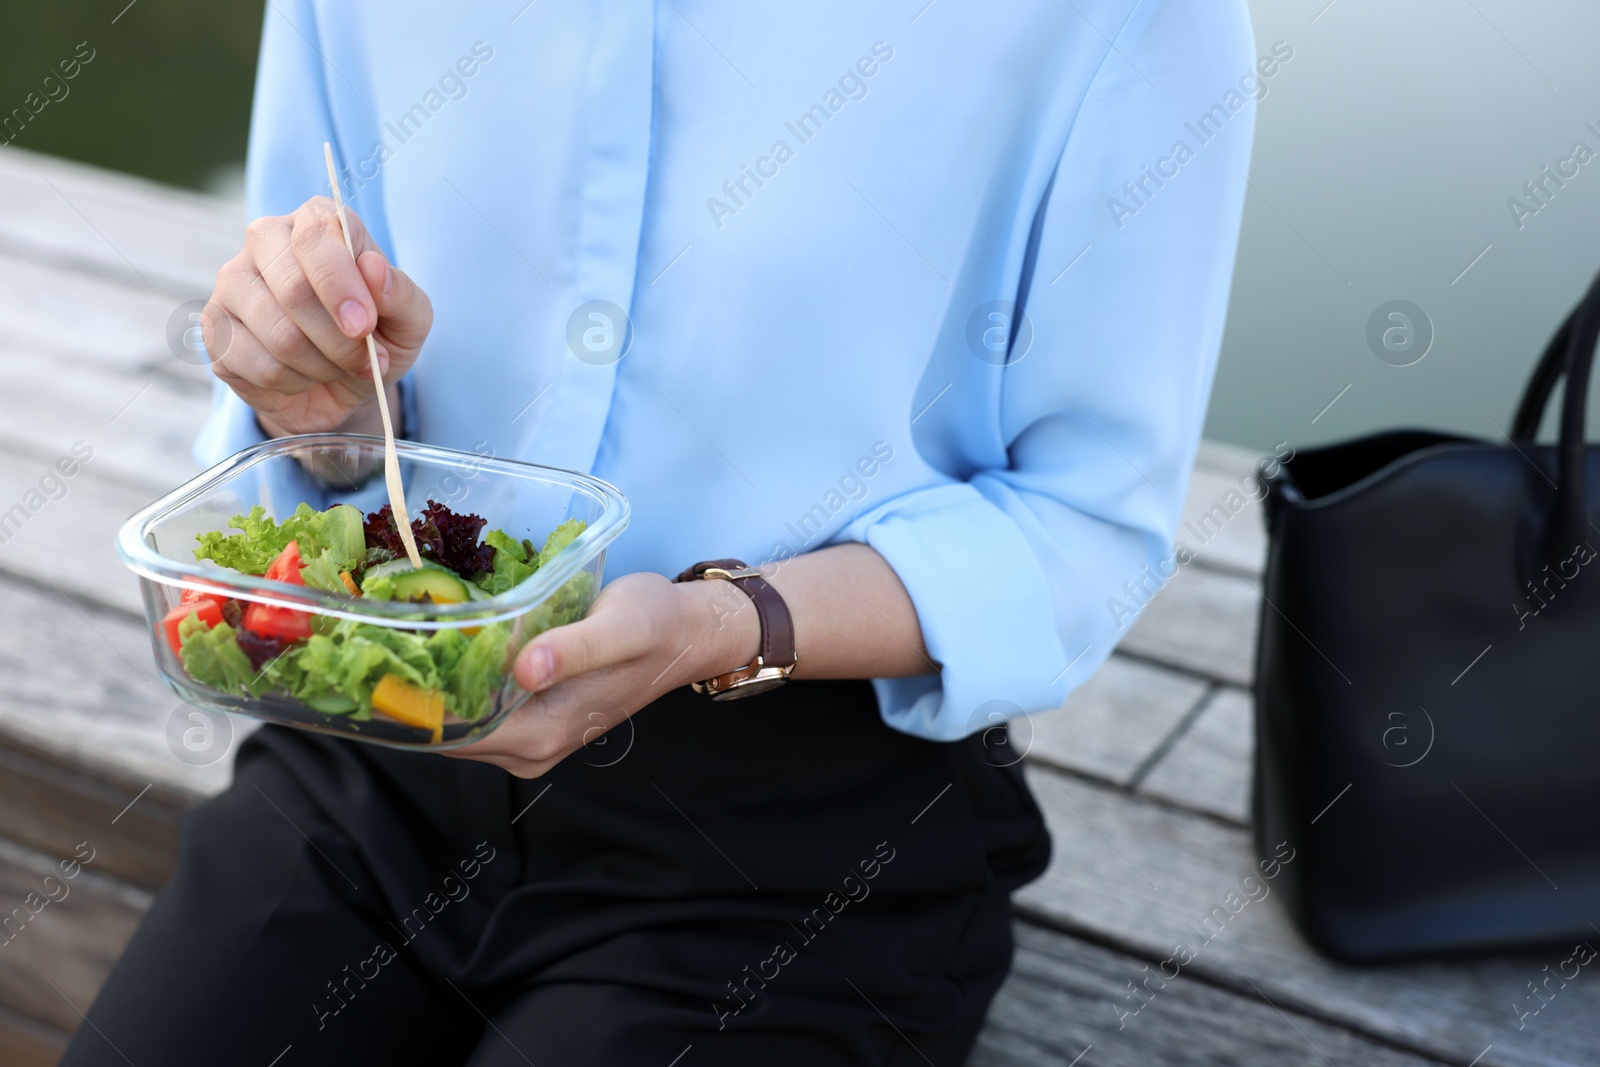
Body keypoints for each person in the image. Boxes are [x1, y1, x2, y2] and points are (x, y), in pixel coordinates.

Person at [64, 1, 1254, 1063]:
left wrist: (719, 622)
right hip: (384, 741)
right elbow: (324, 398)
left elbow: (1085, 519)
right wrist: (309, 406)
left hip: (789, 841)